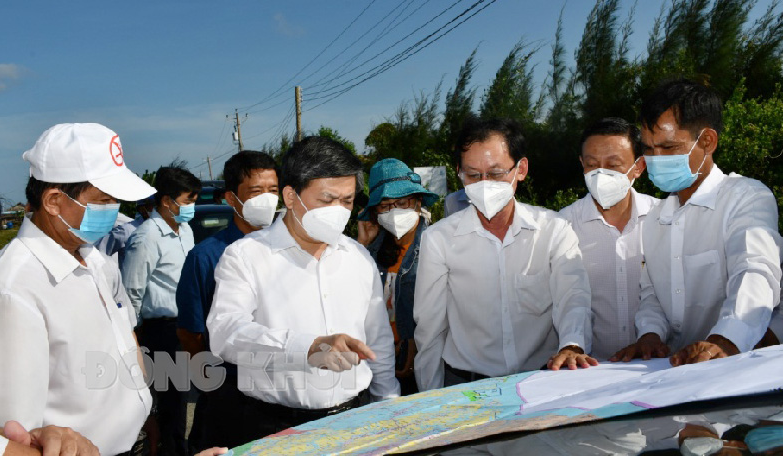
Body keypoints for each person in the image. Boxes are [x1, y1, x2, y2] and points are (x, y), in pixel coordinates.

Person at [206, 136, 399, 446]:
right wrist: (306, 347)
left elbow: (378, 341)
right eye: (327, 199)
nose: (339, 211)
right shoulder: (246, 256)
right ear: (291, 196)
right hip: (275, 427)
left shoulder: (359, 258)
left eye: (347, 200)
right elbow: (225, 333)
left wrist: (388, 404)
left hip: (356, 421)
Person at [0, 123, 155, 455]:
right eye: (103, 201)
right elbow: (18, 431)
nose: (114, 211)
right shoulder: (16, 286)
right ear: (53, 201)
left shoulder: (92, 256)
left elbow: (124, 342)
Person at [413, 116, 595, 391]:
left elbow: (573, 295)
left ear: (520, 169)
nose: (484, 184)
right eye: (473, 175)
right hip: (466, 386)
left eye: (496, 174)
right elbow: (430, 328)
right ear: (459, 173)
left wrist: (572, 343)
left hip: (541, 381)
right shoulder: (439, 239)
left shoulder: (553, 230)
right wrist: (429, 397)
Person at [611, 79, 782, 366]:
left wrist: (727, 340)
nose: (656, 159)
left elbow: (754, 272)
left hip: (743, 366)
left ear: (707, 141)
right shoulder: (655, 219)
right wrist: (651, 335)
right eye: (649, 149)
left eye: (668, 147)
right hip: (677, 370)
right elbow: (652, 293)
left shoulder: (746, 198)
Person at [175, 151, 279, 452]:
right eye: (256, 191)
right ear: (232, 199)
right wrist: (213, 384)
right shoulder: (205, 256)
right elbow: (190, 332)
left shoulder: (290, 250)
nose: (267, 199)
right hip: (231, 392)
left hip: (286, 389)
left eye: (273, 190)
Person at [559, 118, 660, 359]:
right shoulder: (562, 227)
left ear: (639, 167)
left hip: (658, 365)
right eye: (592, 165)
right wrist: (572, 345)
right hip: (592, 370)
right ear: (581, 164)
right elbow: (566, 300)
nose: (601, 175)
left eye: (613, 165)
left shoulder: (664, 220)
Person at [121, 164, 200, 456]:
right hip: (161, 331)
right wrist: (135, 340)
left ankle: (181, 447)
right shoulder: (147, 237)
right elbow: (132, 291)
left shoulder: (186, 231)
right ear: (167, 201)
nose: (192, 207)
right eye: (188, 200)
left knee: (188, 398)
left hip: (186, 326)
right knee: (171, 406)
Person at [357, 158, 439, 395]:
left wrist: (413, 343)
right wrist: (362, 245)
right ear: (374, 213)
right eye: (385, 206)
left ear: (417, 202)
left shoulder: (436, 246)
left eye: (402, 202)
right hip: (378, 361)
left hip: (422, 362)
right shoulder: (369, 252)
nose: (394, 211)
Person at [95, 196, 153, 267]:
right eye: (153, 206)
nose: (157, 210)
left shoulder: (163, 229)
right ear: (142, 209)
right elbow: (99, 252)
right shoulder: (127, 230)